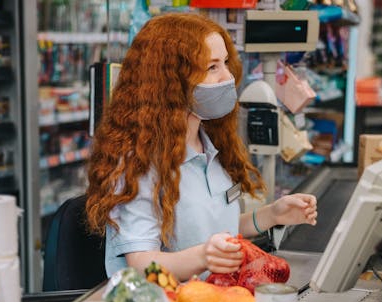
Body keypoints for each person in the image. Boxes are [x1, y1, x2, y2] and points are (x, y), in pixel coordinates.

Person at [85, 13, 318, 281]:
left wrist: (272, 215)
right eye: (212, 68)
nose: (227, 77)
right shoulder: (138, 163)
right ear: (170, 81)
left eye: (226, 64)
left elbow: (215, 232)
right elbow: (141, 263)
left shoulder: (210, 146)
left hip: (214, 299)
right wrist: (203, 258)